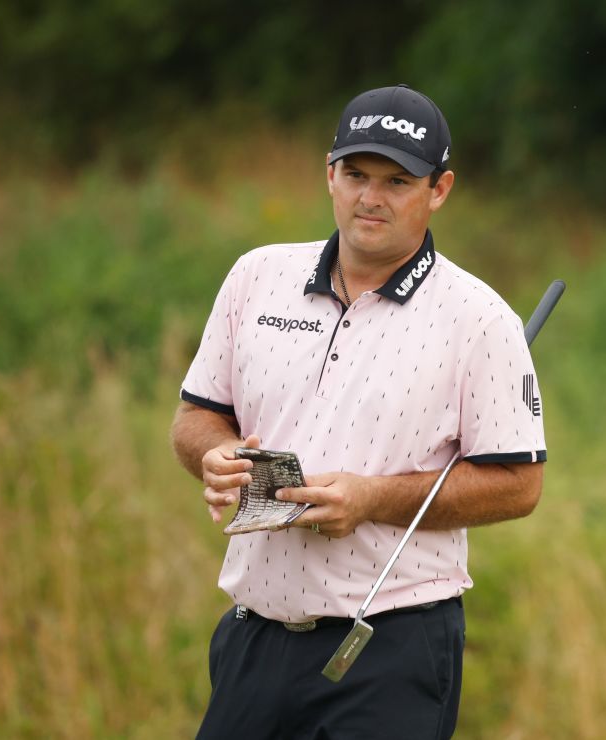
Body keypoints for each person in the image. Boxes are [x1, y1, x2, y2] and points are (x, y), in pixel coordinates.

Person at [170, 84, 546, 739]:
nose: (371, 197)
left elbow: (519, 485)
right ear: (329, 175)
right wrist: (214, 453)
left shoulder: (481, 319)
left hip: (389, 651)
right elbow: (196, 417)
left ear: (440, 190)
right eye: (356, 174)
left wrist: (371, 499)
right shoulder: (257, 277)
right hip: (252, 639)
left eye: (398, 180)